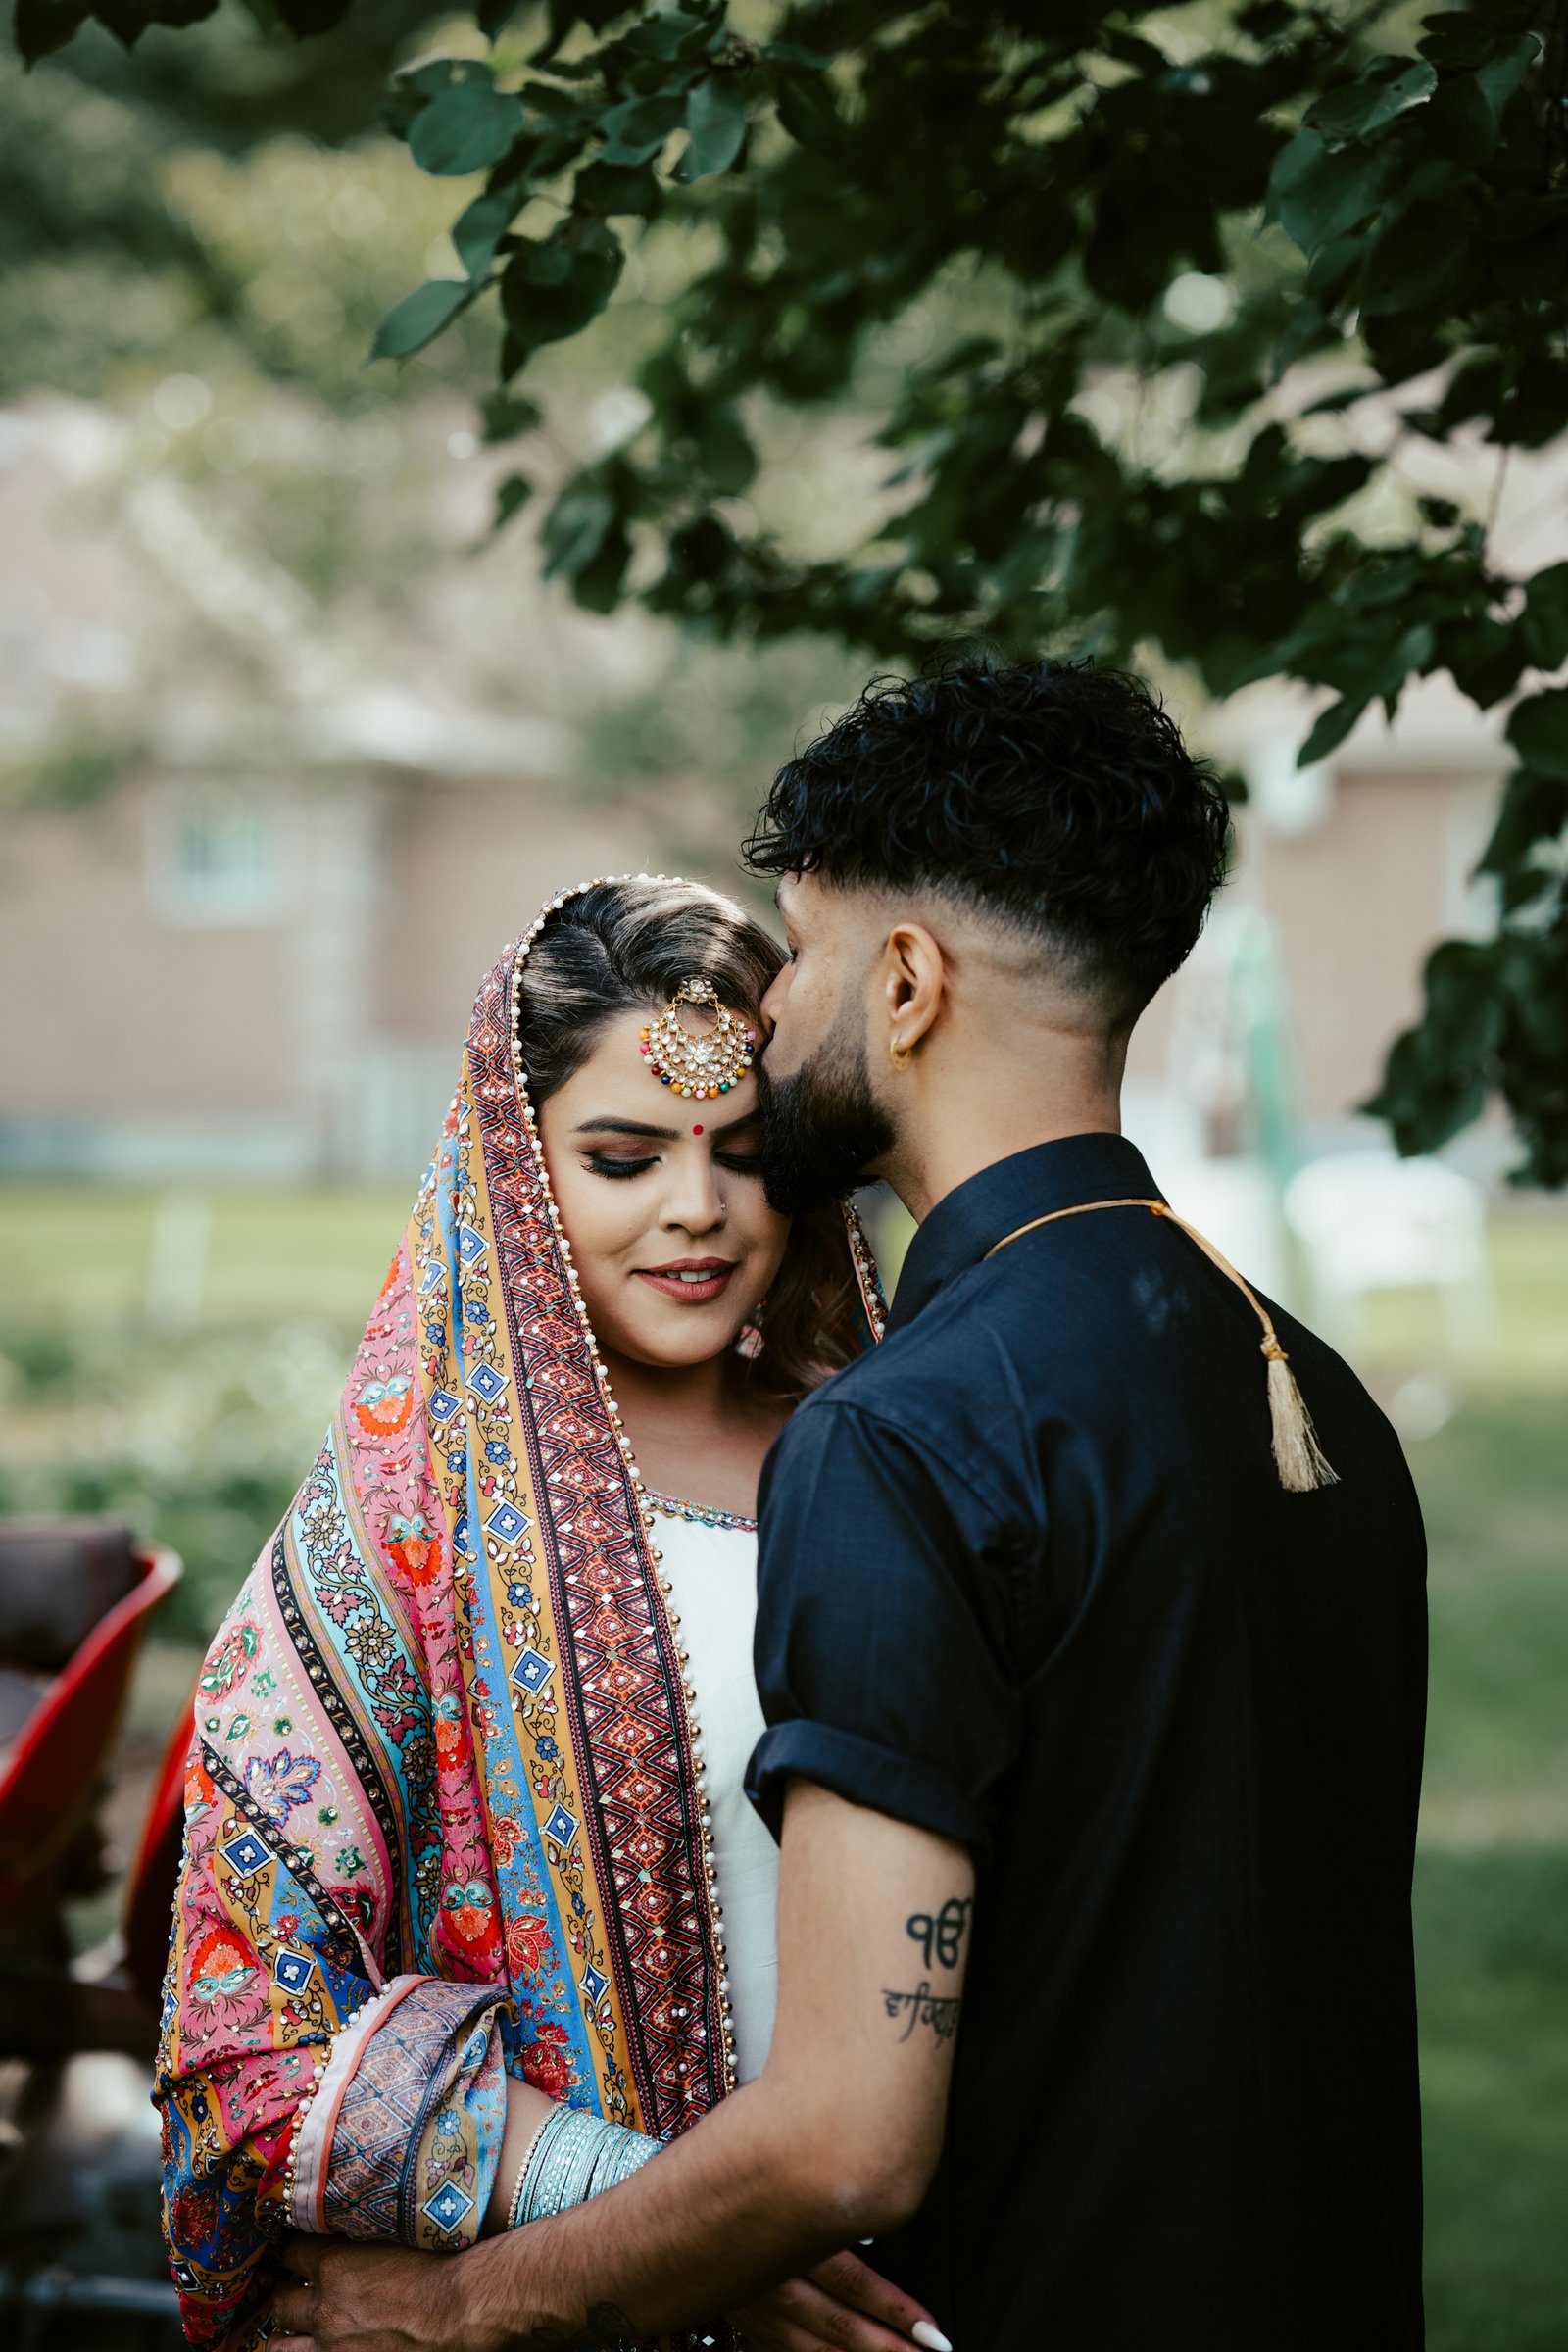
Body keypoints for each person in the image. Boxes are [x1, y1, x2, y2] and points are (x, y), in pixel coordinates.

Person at [270, 657, 1427, 2352]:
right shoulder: (1315, 1392)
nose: (778, 1003)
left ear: (902, 982)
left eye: (801, 949)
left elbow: (846, 2138)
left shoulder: (908, 1434)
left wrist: (455, 2317)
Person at [158, 875, 939, 2352]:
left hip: (936, 2269)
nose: (696, 1210)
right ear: (517, 1174)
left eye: (748, 1155)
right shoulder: (402, 1528)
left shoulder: (897, 1453)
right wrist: (692, 2227)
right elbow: (248, 2034)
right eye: (626, 1158)